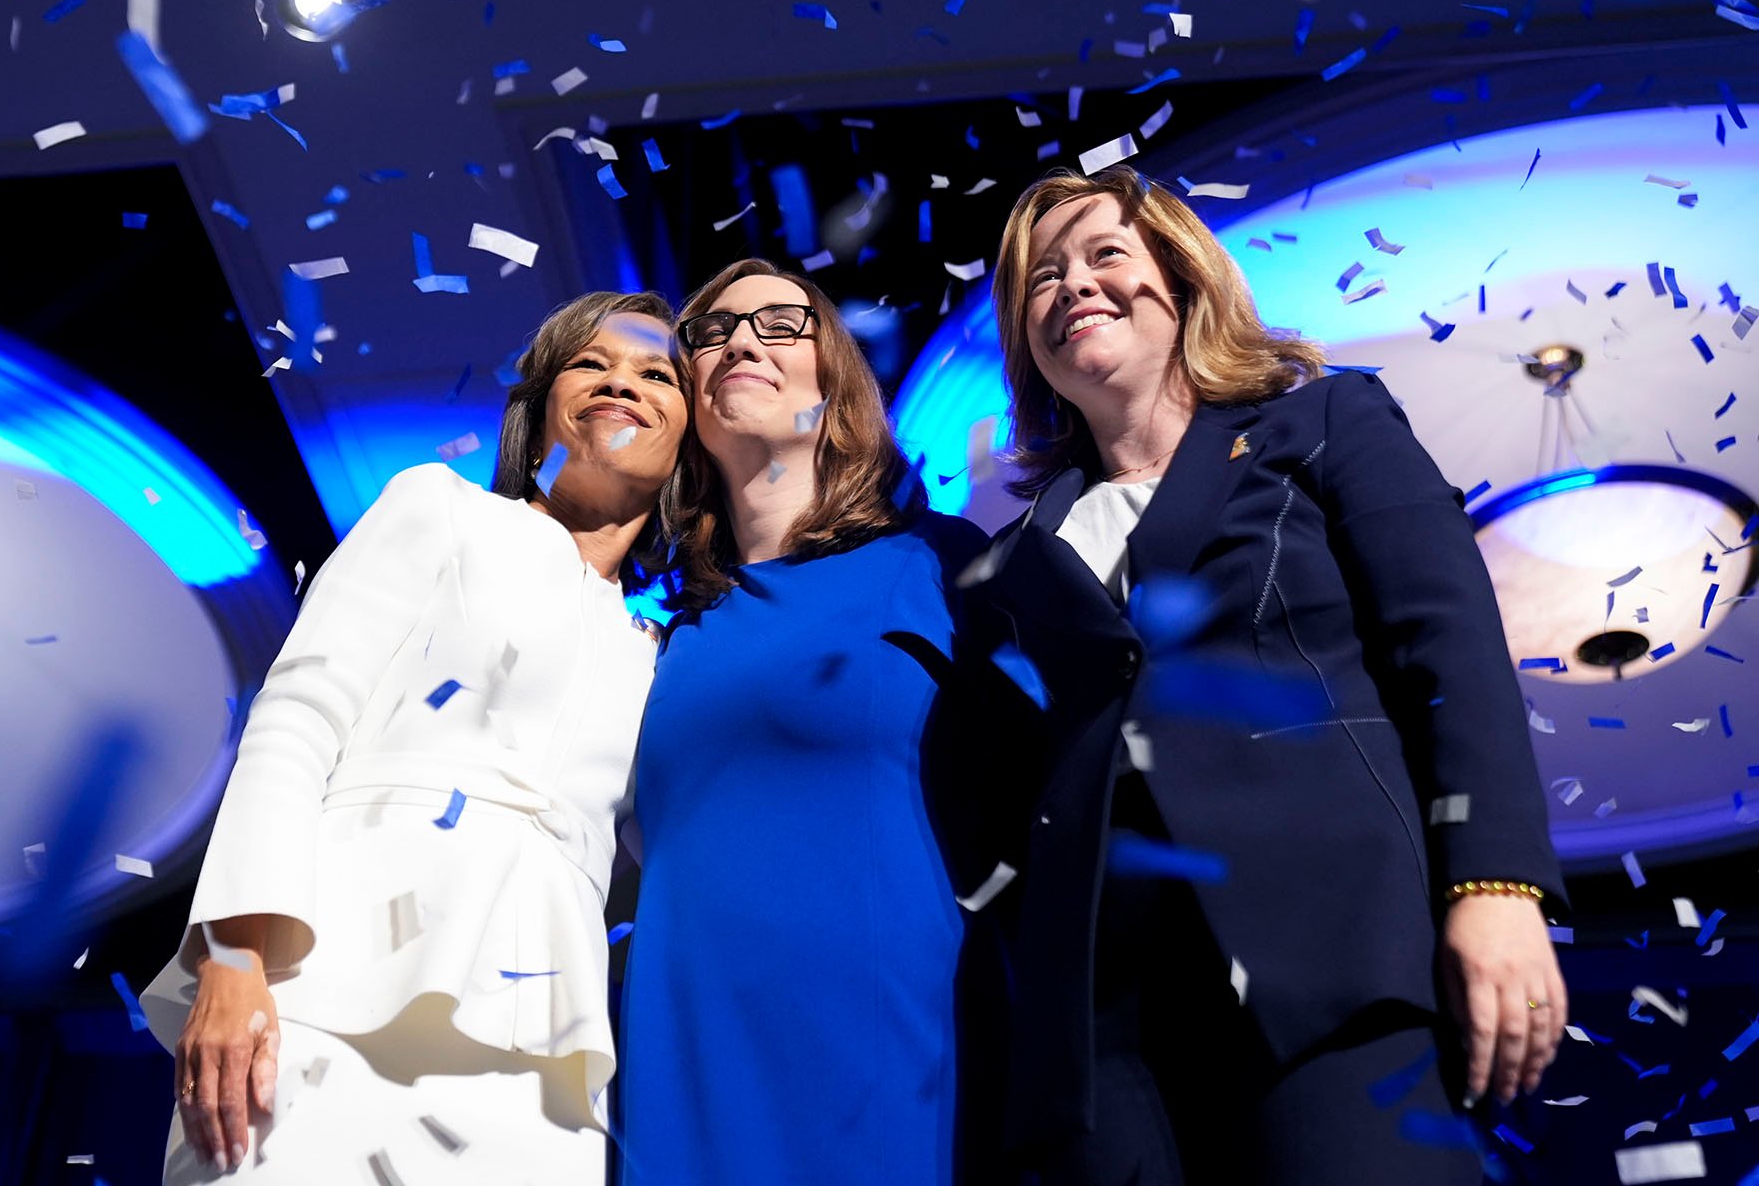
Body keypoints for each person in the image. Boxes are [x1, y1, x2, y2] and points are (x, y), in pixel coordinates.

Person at [972, 166, 1568, 1185]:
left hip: (1332, 965)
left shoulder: (1326, 425)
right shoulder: (1020, 557)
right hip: (1107, 1038)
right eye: (1042, 279)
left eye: (1106, 254)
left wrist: (1494, 881)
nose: (1073, 285)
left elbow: (1450, 645)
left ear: (1185, 276)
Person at [139, 291, 689, 1184]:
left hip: (544, 1055)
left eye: (657, 372)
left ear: (688, 440)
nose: (620, 380)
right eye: (591, 363)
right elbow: (298, 714)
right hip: (325, 989)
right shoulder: (440, 509)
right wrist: (235, 957)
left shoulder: (660, 653)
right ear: (542, 403)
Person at [615, 258, 1011, 1185]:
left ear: (834, 384)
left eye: (780, 325)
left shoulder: (940, 565)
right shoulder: (656, 635)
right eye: (710, 334)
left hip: (883, 1031)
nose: (742, 341)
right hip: (689, 1040)